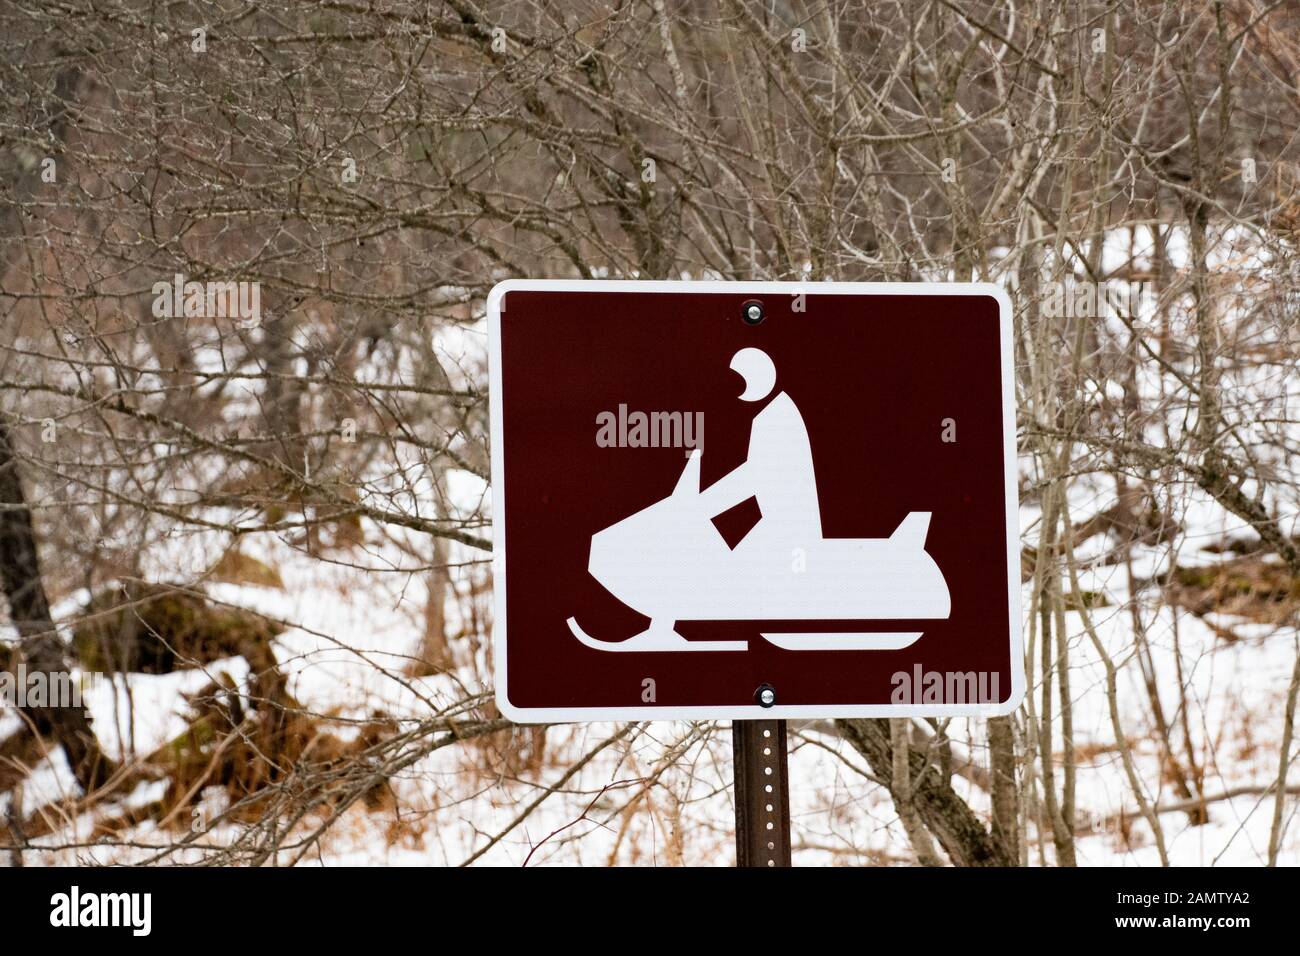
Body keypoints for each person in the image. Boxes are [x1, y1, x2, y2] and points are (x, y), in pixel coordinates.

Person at [695, 348, 823, 549]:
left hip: (788, 533)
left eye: (736, 377)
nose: (732, 385)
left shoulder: (775, 415)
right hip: (778, 526)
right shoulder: (772, 412)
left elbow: (755, 475)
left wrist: (703, 506)